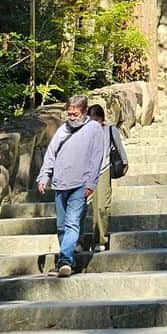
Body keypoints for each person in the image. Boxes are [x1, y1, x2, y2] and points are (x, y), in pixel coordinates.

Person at [36, 95, 107, 277]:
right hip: (60, 183)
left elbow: (96, 156)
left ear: (84, 112)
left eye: (75, 113)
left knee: (72, 223)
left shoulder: (94, 129)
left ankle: (65, 260)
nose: (72, 117)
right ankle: (68, 259)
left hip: (80, 183)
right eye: (69, 113)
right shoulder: (62, 130)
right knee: (61, 226)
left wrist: (91, 182)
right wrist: (44, 176)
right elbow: (51, 153)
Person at [86, 103, 128, 252]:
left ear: (102, 119)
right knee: (85, 207)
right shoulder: (84, 133)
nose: (93, 124)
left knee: (101, 207)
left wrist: (124, 161)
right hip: (86, 172)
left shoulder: (109, 130)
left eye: (95, 120)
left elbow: (119, 147)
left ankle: (101, 239)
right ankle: (86, 240)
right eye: (90, 120)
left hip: (103, 170)